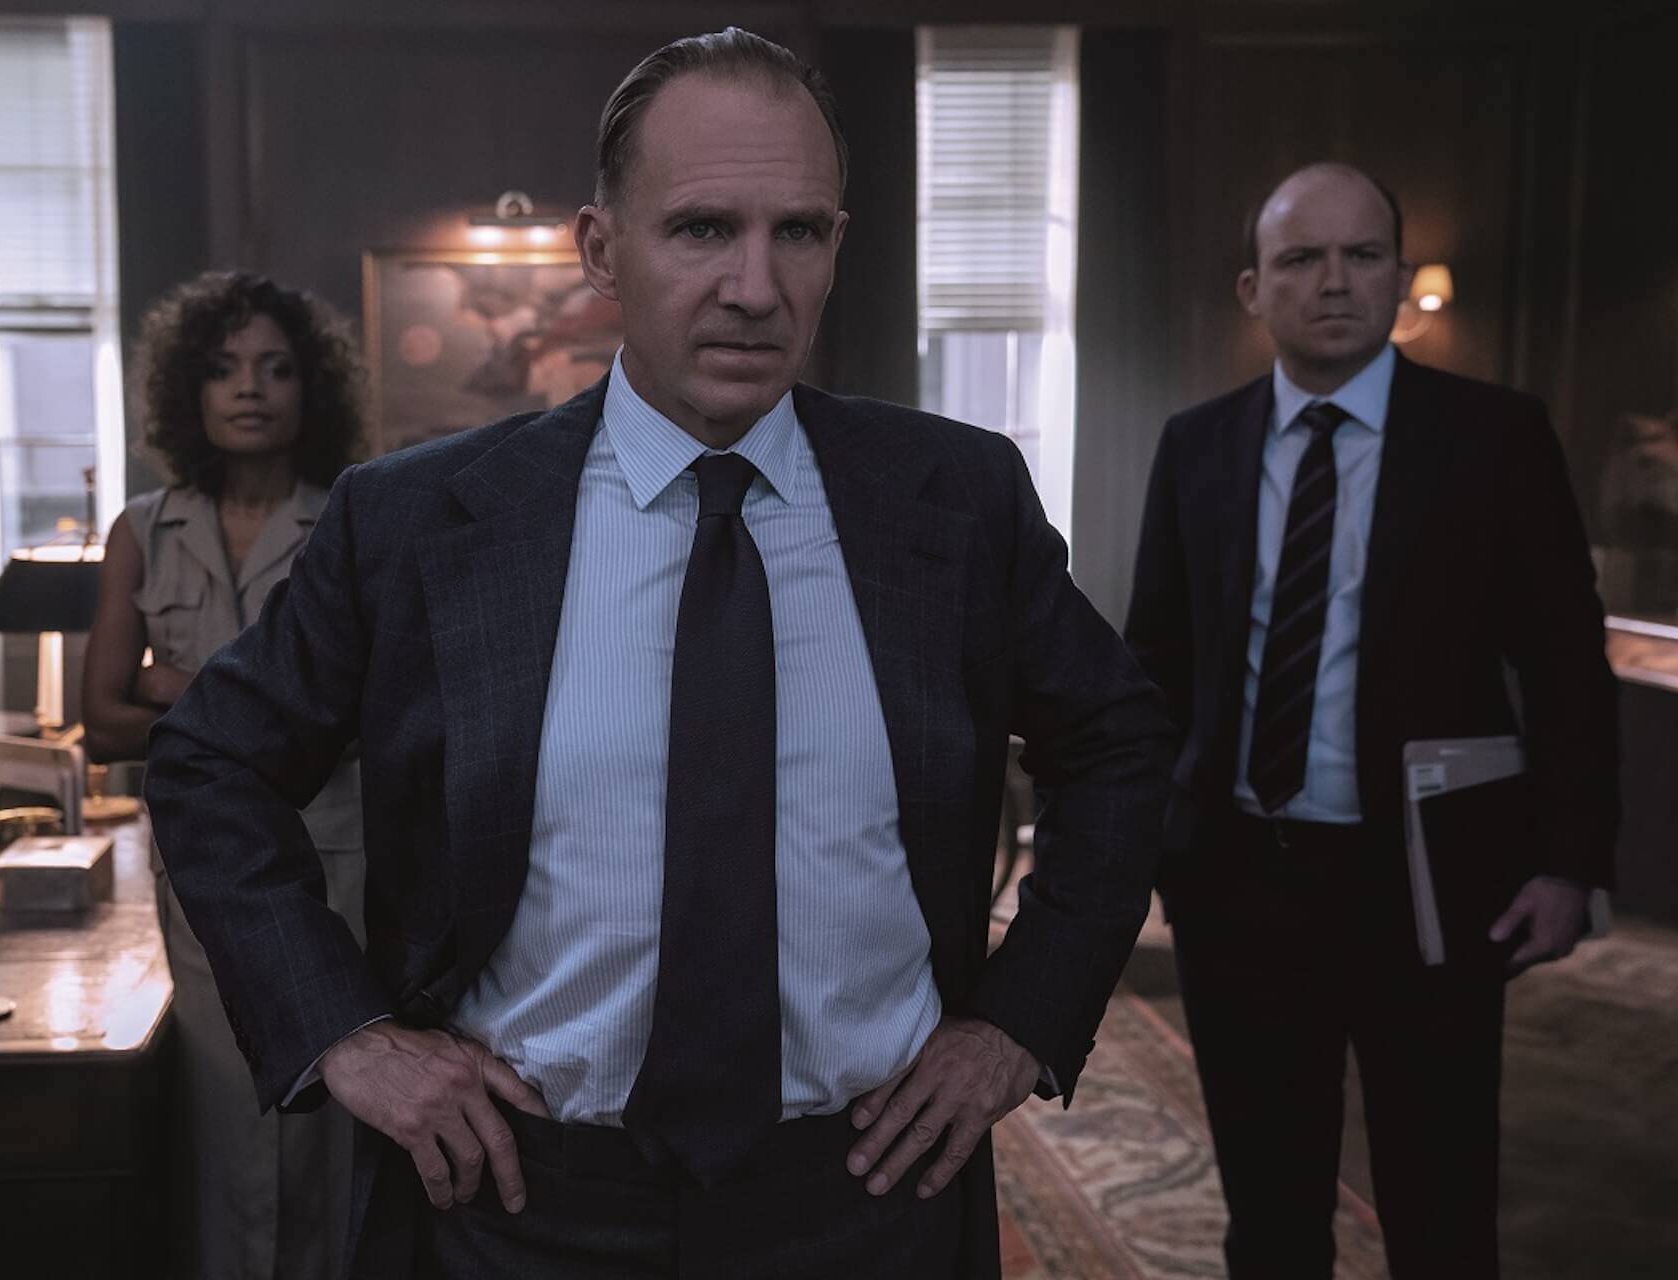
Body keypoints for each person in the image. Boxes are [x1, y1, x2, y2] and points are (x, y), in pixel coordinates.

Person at [145, 29, 1173, 1279]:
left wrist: (1021, 1017)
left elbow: (1120, 744)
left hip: (874, 1186)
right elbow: (209, 763)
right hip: (520, 1195)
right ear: (600, 249)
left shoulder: (954, 500)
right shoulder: (418, 522)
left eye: (798, 232)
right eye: (702, 228)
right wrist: (347, 1032)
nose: (755, 285)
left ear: (838, 246)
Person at [1123, 162, 1619, 1279]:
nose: (1334, 281)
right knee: (1270, 1213)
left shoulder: (1495, 436)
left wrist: (1570, 860)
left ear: (1399, 277)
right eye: (1302, 259)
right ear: (1254, 288)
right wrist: (1156, 841)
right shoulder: (1197, 444)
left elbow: (1564, 664)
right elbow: (1156, 662)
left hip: (1429, 883)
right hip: (1239, 885)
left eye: (1362, 256)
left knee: (1440, 1209)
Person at [81, 270, 369, 1280]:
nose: (250, 387)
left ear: (310, 389)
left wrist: (173, 684)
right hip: (201, 873)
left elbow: (367, 722)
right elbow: (100, 722)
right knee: (227, 1115)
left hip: (341, 868)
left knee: (334, 1115)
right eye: (224, 367)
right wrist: (257, 715)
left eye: (276, 368)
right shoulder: (140, 529)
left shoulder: (354, 520)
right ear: (189, 390)